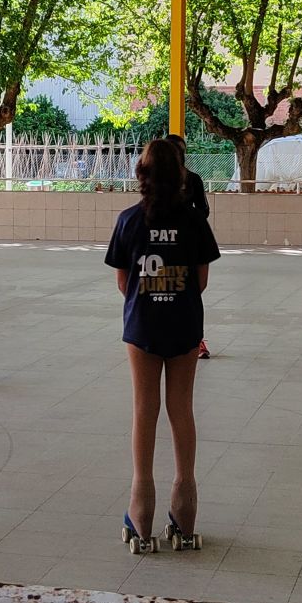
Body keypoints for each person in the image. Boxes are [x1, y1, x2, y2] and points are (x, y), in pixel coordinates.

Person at [106, 139, 220, 553]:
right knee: (181, 409)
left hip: (143, 326)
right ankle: (185, 503)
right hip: (185, 324)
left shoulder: (128, 221)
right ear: (181, 175)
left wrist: (148, 296)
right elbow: (202, 281)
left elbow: (122, 282)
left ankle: (141, 507)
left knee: (144, 410)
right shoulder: (195, 223)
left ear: (144, 175)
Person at [163, 134, 212, 360]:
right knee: (159, 291)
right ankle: (162, 333)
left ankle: (196, 339)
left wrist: (190, 224)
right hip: (161, 246)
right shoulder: (156, 181)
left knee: (190, 293)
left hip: (187, 246)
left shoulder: (193, 179)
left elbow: (203, 209)